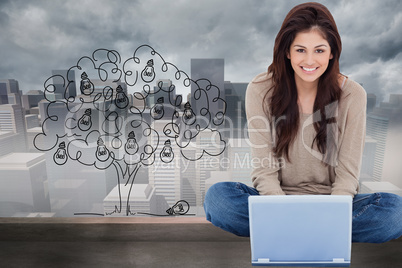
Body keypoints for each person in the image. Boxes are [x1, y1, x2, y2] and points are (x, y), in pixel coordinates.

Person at [204, 2, 402, 243]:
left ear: (332, 52)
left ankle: (288, 233)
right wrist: (282, 210)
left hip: (333, 203)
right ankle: (319, 235)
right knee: (218, 198)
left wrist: (332, 214)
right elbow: (264, 171)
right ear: (287, 51)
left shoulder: (353, 95)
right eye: (300, 50)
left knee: (395, 213)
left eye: (319, 50)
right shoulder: (261, 89)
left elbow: (348, 174)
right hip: (275, 200)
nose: (309, 60)